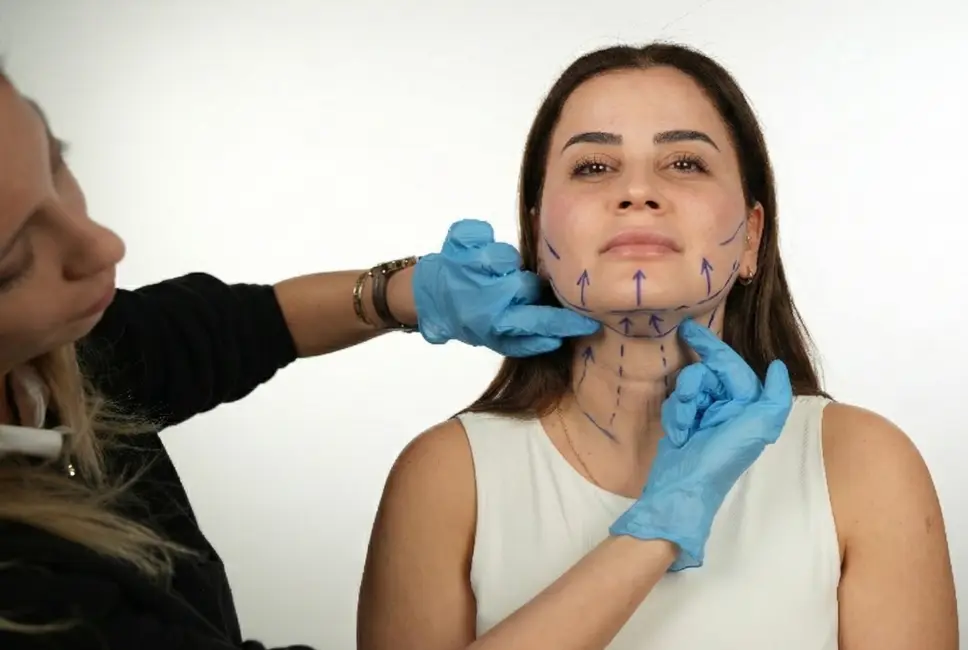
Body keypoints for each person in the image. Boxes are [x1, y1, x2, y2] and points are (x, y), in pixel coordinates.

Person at [357, 42, 959, 650]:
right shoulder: (446, 478)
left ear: (752, 238)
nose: (637, 192)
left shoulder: (862, 465)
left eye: (685, 163)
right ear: (537, 236)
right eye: (593, 167)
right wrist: (655, 533)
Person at [0, 65, 599, 648]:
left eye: (56, 161)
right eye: (11, 259)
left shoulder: (66, 360)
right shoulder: (28, 601)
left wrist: (402, 293)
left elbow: (233, 328)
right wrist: (652, 537)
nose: (103, 245)